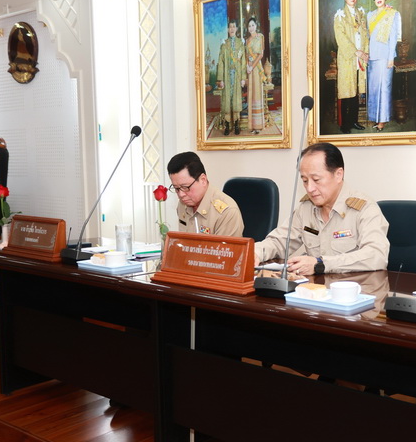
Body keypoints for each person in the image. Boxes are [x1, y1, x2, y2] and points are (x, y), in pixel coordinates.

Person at [254, 142, 389, 275]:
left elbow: (377, 255)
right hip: (315, 287)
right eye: (305, 181)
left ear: (338, 174)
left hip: (355, 286)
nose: (310, 188)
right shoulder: (306, 208)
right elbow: (279, 242)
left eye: (316, 179)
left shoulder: (364, 208)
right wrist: (255, 253)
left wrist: (321, 264)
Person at [166, 151, 244, 237]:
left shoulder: (227, 212)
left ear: (203, 180)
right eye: (176, 188)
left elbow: (225, 246)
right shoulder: (183, 204)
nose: (181, 194)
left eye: (185, 187)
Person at [334, 0, 368, 134]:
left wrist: (365, 53)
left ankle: (354, 120)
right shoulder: (340, 15)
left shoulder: (361, 14)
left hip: (359, 59)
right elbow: (341, 38)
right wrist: (356, 52)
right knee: (347, 92)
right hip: (348, 59)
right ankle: (345, 124)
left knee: (356, 92)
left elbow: (365, 35)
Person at [366, 0, 401, 132]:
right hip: (373, 57)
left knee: (384, 89)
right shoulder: (370, 15)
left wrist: (391, 57)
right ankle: (375, 117)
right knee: (374, 89)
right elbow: (367, 37)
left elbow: (393, 37)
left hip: (386, 56)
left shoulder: (393, 14)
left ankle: (383, 120)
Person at [217, 19, 246, 136]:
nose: (232, 29)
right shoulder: (224, 44)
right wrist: (221, 79)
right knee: (227, 101)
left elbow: (243, 62)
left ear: (237, 29)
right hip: (227, 76)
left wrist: (243, 78)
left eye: (234, 26)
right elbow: (220, 62)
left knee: (236, 101)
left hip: (237, 76)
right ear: (228, 29)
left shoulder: (240, 44)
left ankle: (237, 124)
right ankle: (227, 125)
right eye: (230, 27)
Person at [245, 17, 266, 135]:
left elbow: (261, 54)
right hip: (250, 70)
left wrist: (252, 66)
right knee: (251, 95)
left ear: (256, 26)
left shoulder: (260, 37)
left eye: (253, 25)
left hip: (257, 69)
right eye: (249, 26)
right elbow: (247, 55)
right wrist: (248, 66)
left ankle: (258, 125)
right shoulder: (247, 40)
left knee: (257, 94)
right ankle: (252, 125)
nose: (251, 28)